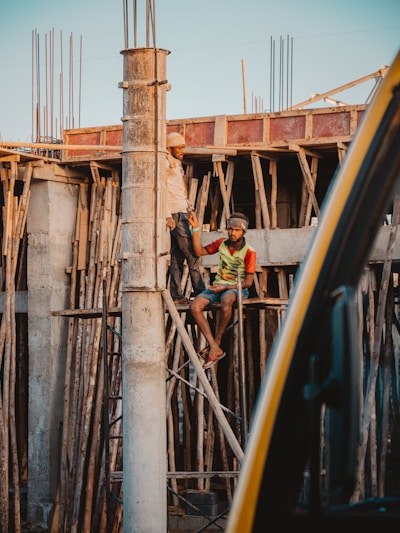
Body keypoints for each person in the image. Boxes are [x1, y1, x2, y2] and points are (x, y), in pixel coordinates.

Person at [188, 210, 256, 370]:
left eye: (237, 230)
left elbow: (248, 282)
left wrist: (224, 287)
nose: (233, 233)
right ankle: (214, 346)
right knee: (194, 307)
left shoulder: (249, 252)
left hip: (236, 288)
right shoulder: (221, 243)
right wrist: (196, 229)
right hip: (218, 286)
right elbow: (199, 252)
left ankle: (216, 342)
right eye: (231, 229)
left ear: (243, 232)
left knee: (226, 300)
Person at [165, 132, 206, 304]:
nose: (182, 150)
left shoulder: (176, 163)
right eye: (179, 147)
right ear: (169, 148)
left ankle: (176, 295)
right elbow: (162, 189)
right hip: (175, 212)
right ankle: (201, 291)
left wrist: (189, 207)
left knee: (177, 256)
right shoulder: (164, 162)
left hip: (181, 210)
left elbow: (179, 190)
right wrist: (166, 214)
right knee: (192, 253)